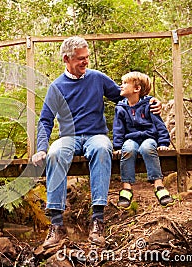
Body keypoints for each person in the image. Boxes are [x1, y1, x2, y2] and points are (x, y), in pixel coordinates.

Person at [31, 36, 162, 248]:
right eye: (81, 59)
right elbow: (45, 120)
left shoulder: (97, 78)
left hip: (96, 135)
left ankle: (97, 221)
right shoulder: (56, 87)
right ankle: (56, 225)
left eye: (87, 58)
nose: (86, 62)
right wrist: (41, 149)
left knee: (102, 148)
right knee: (55, 154)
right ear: (67, 58)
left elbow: (127, 97)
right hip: (68, 138)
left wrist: (151, 101)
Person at [113, 71, 174, 209]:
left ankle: (159, 186)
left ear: (137, 88)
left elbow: (159, 125)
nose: (121, 86)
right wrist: (117, 146)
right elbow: (118, 129)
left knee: (148, 148)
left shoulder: (149, 105)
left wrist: (164, 143)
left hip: (148, 137)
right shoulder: (121, 108)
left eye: (124, 83)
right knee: (127, 149)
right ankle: (126, 188)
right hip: (131, 139)